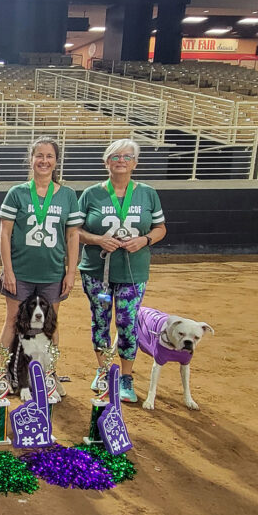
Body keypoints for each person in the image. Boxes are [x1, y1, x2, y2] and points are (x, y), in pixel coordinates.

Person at [78, 139, 166, 402]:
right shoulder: (91, 194)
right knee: (100, 321)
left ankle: (126, 377)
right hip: (97, 273)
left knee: (127, 322)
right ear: (106, 162)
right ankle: (104, 371)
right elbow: (75, 231)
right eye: (115, 156)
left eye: (127, 157)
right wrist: (97, 240)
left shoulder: (147, 194)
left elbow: (161, 229)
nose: (121, 161)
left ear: (135, 164)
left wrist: (145, 240)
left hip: (132, 272)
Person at [0, 137, 82, 349]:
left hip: (52, 274)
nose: (44, 161)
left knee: (49, 323)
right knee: (13, 321)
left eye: (49, 156)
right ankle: (5, 374)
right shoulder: (17, 193)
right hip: (20, 273)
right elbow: (4, 234)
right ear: (31, 159)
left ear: (56, 161)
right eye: (40, 156)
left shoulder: (68, 195)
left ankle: (47, 374)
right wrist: (8, 271)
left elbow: (73, 236)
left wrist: (71, 272)